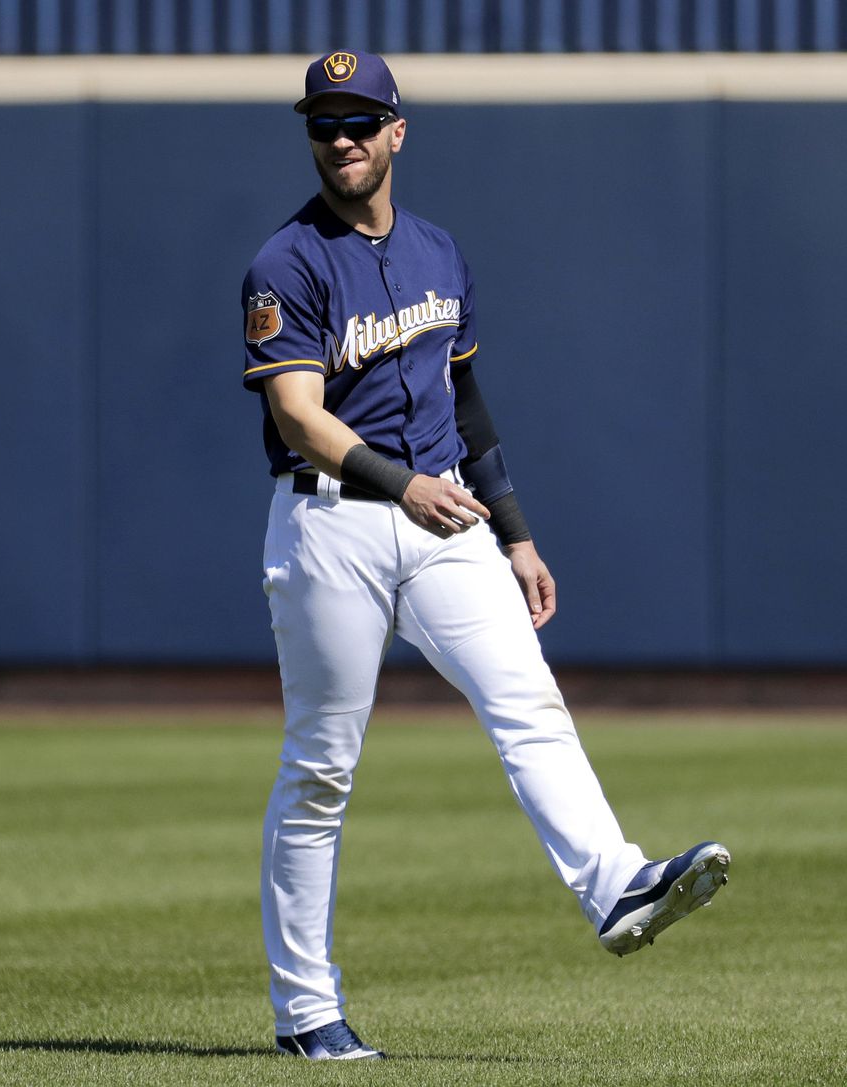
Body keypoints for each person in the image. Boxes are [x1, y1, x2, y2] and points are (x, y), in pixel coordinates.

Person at [241, 50, 730, 1062]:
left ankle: (615, 885)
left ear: (395, 133)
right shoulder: (285, 262)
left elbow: (463, 401)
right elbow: (295, 417)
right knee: (321, 770)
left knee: (528, 698)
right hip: (332, 520)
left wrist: (515, 531)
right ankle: (304, 1013)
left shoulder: (437, 251)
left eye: (358, 121)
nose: (340, 139)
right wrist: (399, 482)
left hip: (443, 517)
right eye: (323, 123)